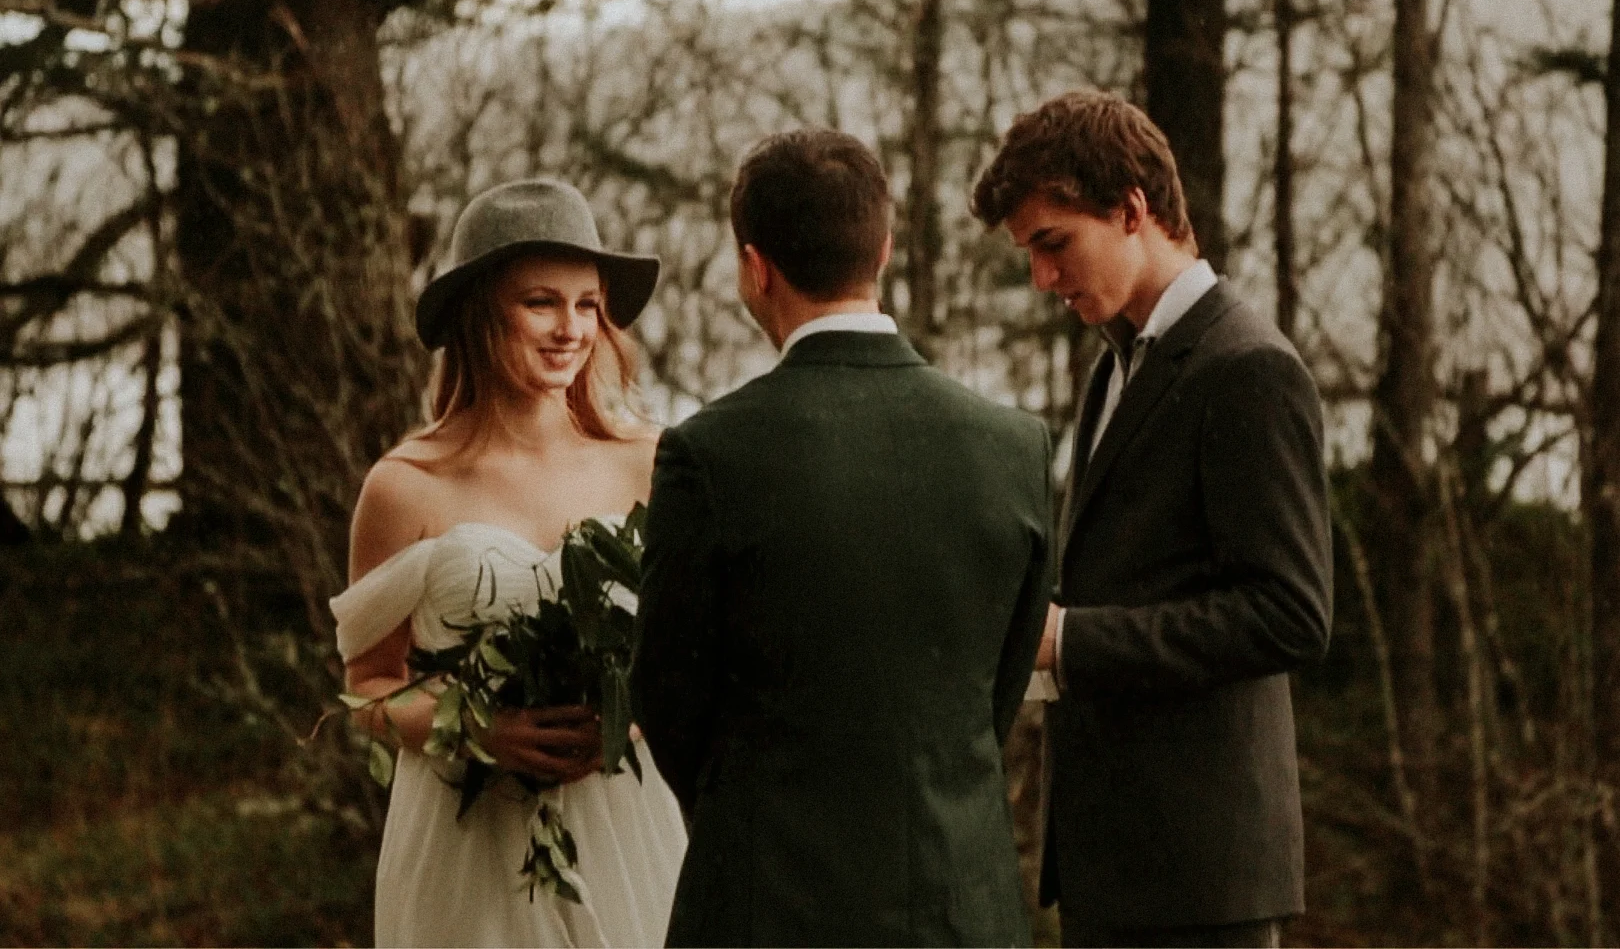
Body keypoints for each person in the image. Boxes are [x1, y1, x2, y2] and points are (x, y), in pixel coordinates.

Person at [631, 129, 1054, 947]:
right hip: (960, 907)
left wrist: (751, 811)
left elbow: (667, 695)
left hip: (769, 903)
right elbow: (996, 687)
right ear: (885, 250)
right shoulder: (1015, 447)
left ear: (756, 267)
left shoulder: (708, 455)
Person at [971, 89, 1334, 949]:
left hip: (1202, 880)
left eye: (1054, 245)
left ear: (1133, 209)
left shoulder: (1248, 370)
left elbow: (1291, 614)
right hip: (1116, 866)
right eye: (1030, 253)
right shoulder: (1114, 366)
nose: (1042, 279)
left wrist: (1073, 642)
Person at [329, 179, 687, 948]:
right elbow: (366, 691)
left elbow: (690, 647)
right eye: (541, 302)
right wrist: (479, 731)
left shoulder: (650, 463)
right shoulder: (403, 485)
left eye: (588, 304)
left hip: (626, 828)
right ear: (480, 311)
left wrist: (629, 725)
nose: (571, 329)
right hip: (466, 849)